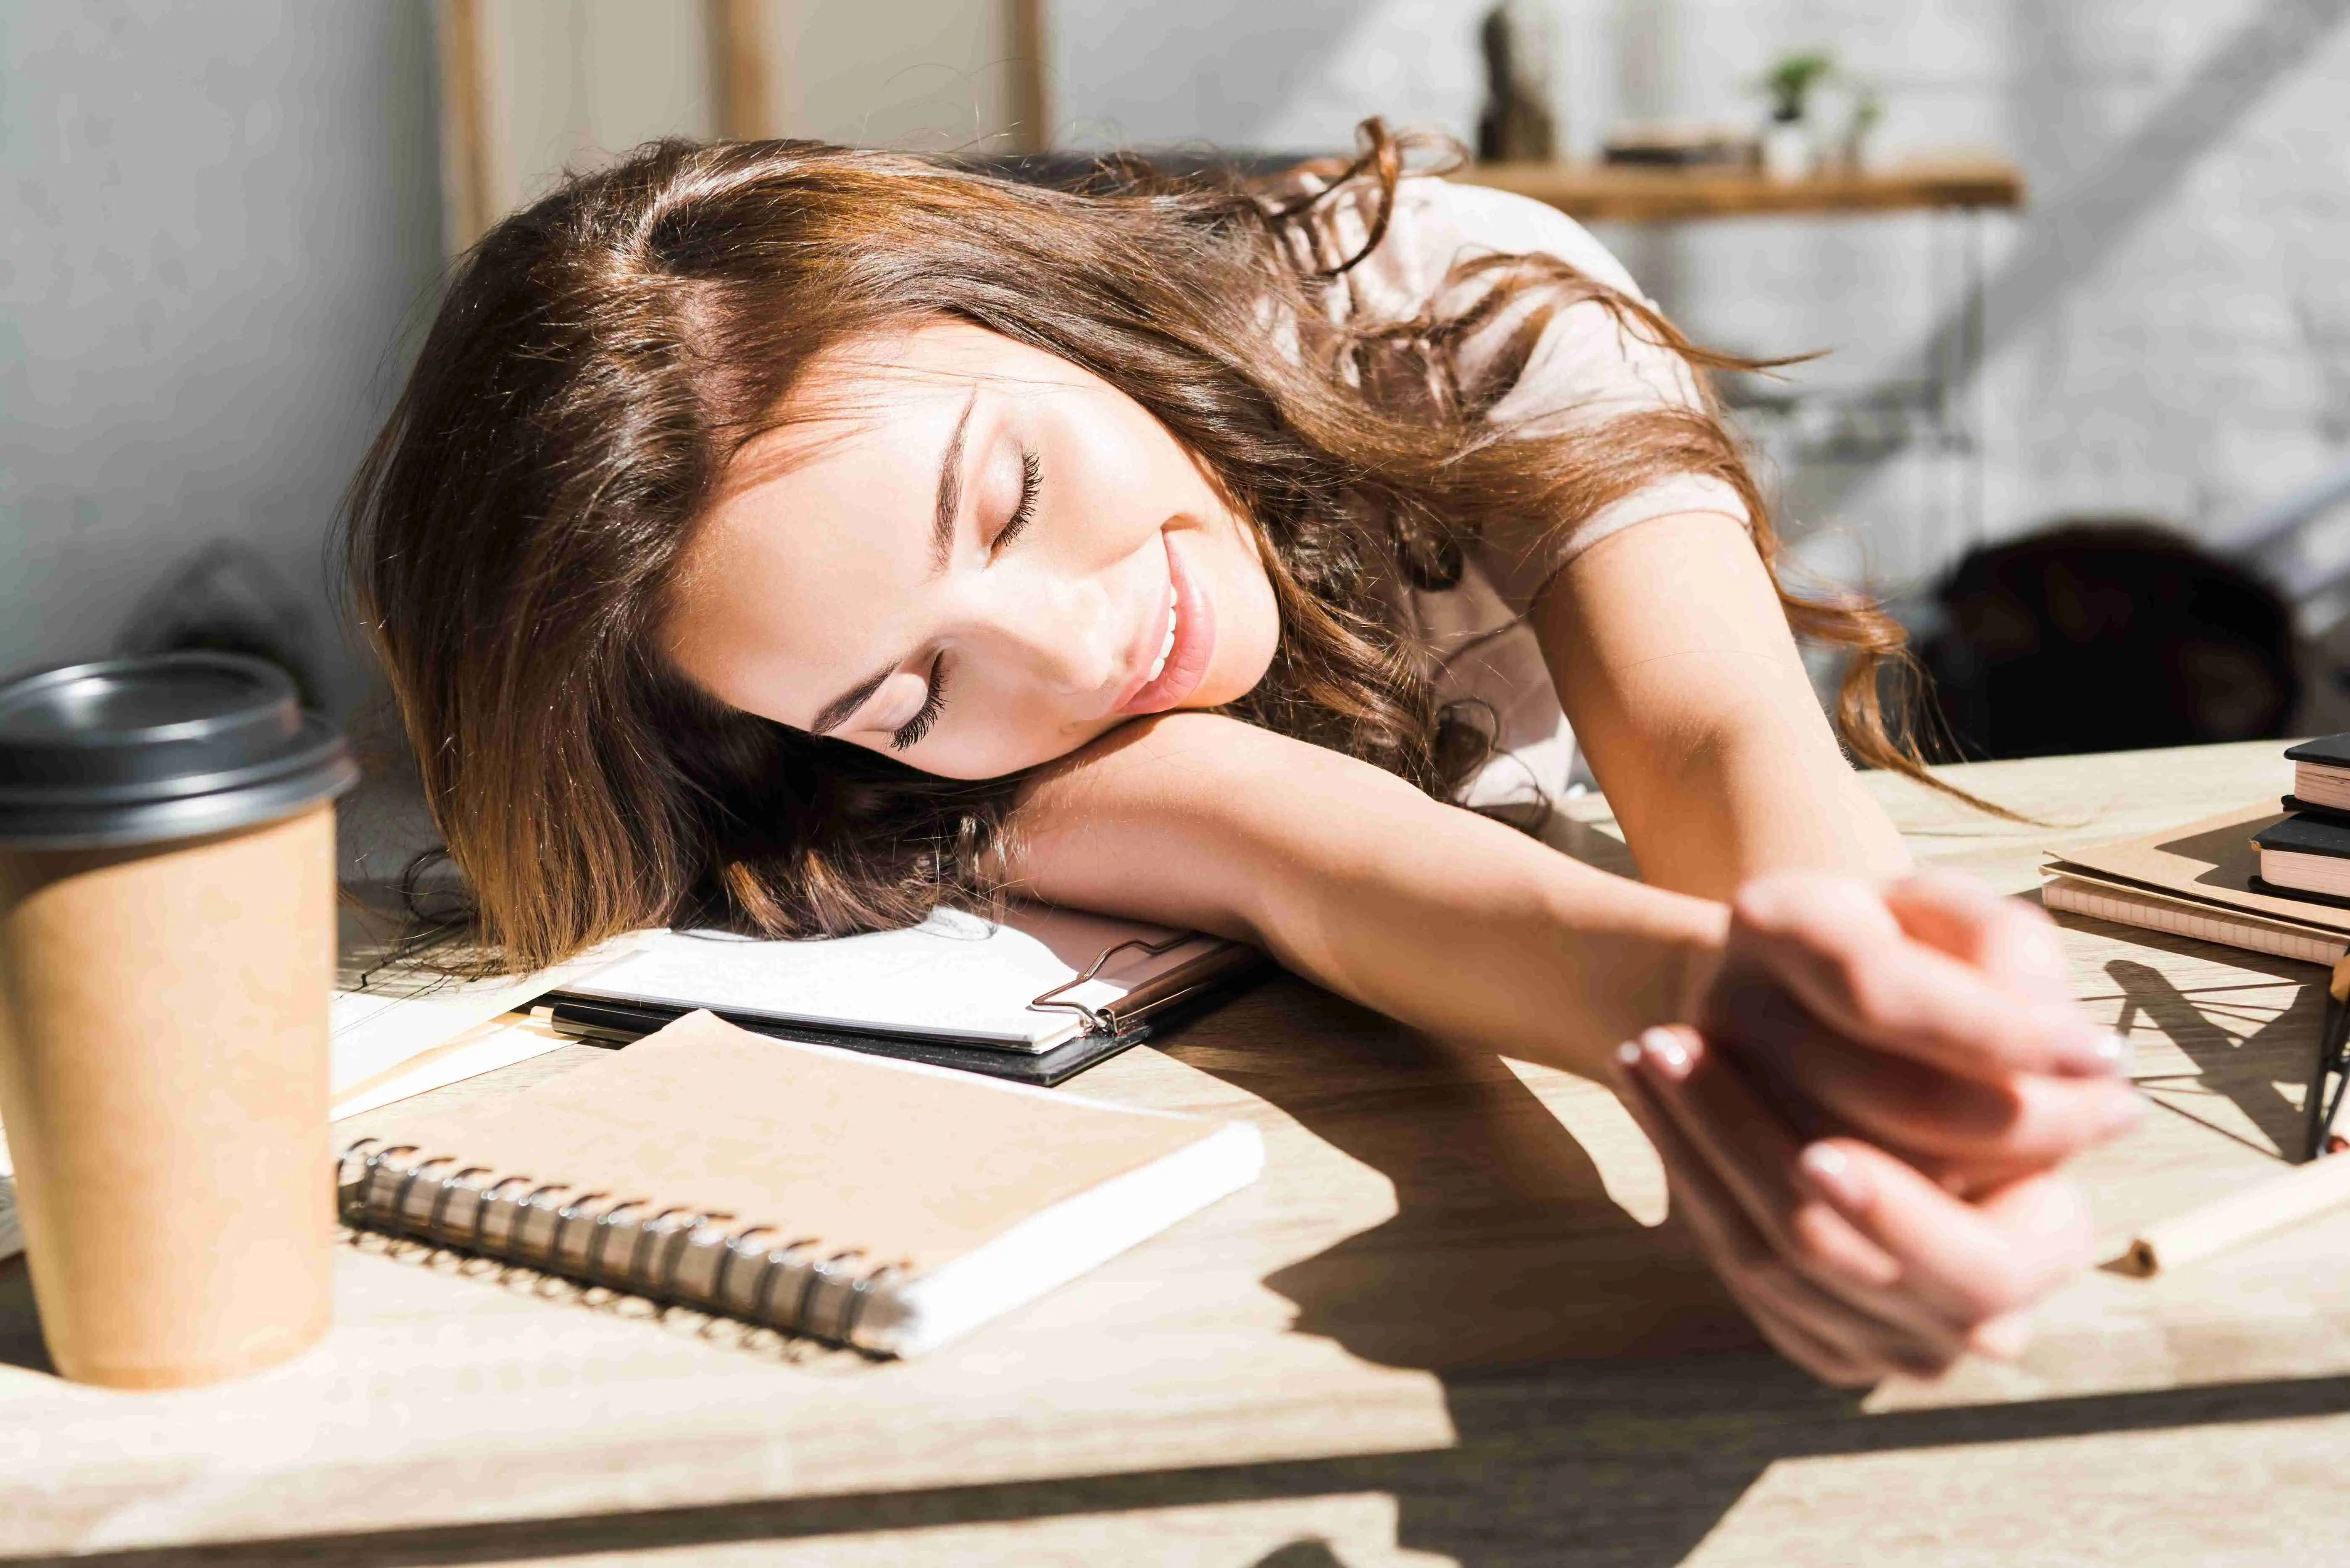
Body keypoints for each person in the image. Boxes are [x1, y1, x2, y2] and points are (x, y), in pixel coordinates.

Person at [346, 125, 2142, 1385]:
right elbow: (1306, 840)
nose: (1080, 653)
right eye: (908, 691)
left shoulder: (1448, 303)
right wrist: (1728, 1026)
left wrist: (1877, 1055)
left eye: (1017, 495)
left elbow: (1707, 726)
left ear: (1007, 297)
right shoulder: (878, 780)